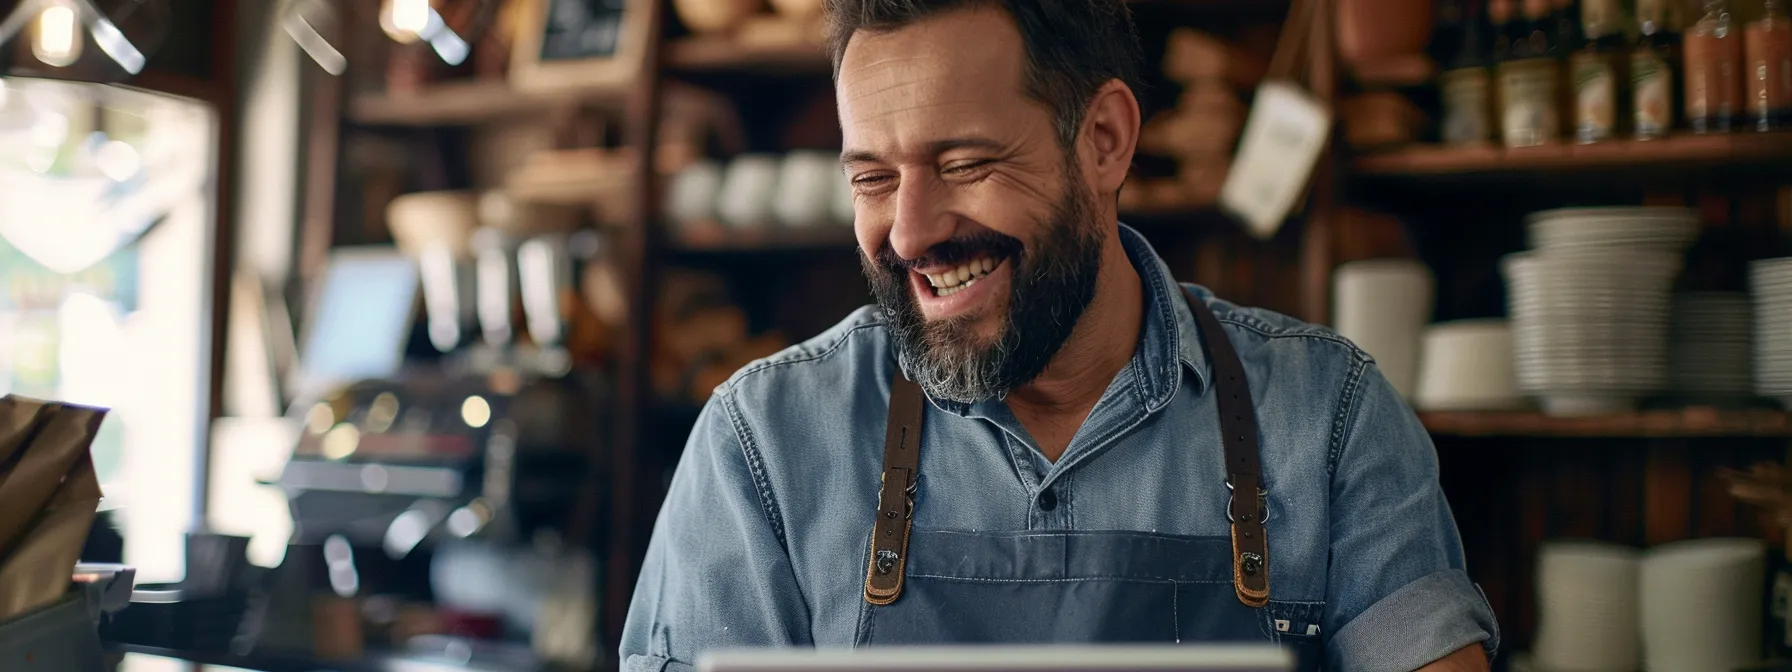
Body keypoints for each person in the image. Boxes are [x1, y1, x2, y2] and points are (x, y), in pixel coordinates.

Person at [620, 0, 1500, 669]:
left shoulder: (1330, 418)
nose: (911, 232)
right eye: (873, 178)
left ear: (1106, 141)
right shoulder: (763, 445)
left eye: (964, 164)